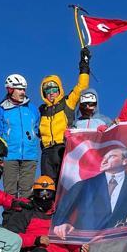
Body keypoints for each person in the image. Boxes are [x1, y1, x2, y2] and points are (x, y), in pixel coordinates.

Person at [52, 146, 127, 238]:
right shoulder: (83, 185)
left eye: (111, 156)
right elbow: (62, 209)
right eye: (104, 157)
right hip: (87, 244)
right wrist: (62, 223)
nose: (104, 160)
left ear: (125, 161)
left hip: (124, 245)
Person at [38, 48, 91, 180]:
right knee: (48, 186)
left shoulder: (67, 102)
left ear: (59, 89)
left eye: (54, 89)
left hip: (63, 148)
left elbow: (82, 87)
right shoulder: (41, 110)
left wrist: (84, 65)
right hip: (46, 152)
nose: (51, 93)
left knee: (64, 183)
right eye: (47, 90)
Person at [0, 73, 40, 212]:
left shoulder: (32, 108)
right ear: (10, 89)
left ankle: (24, 223)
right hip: (9, 155)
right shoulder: (2, 109)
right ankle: (10, 223)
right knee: (10, 191)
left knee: (26, 192)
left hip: (30, 155)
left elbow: (37, 128)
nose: (23, 92)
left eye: (24, 89)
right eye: (20, 89)